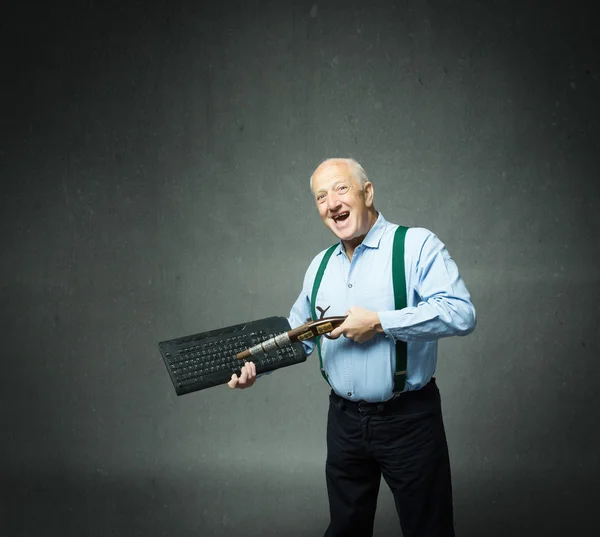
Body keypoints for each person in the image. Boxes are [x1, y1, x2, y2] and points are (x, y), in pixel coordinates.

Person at [228, 158, 476, 537]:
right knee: (346, 529)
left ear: (367, 192)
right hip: (344, 422)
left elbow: (460, 313)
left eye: (341, 189)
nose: (331, 203)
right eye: (320, 197)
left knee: (429, 530)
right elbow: (300, 333)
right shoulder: (320, 265)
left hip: (408, 420)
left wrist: (380, 322)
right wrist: (255, 367)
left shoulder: (415, 245)